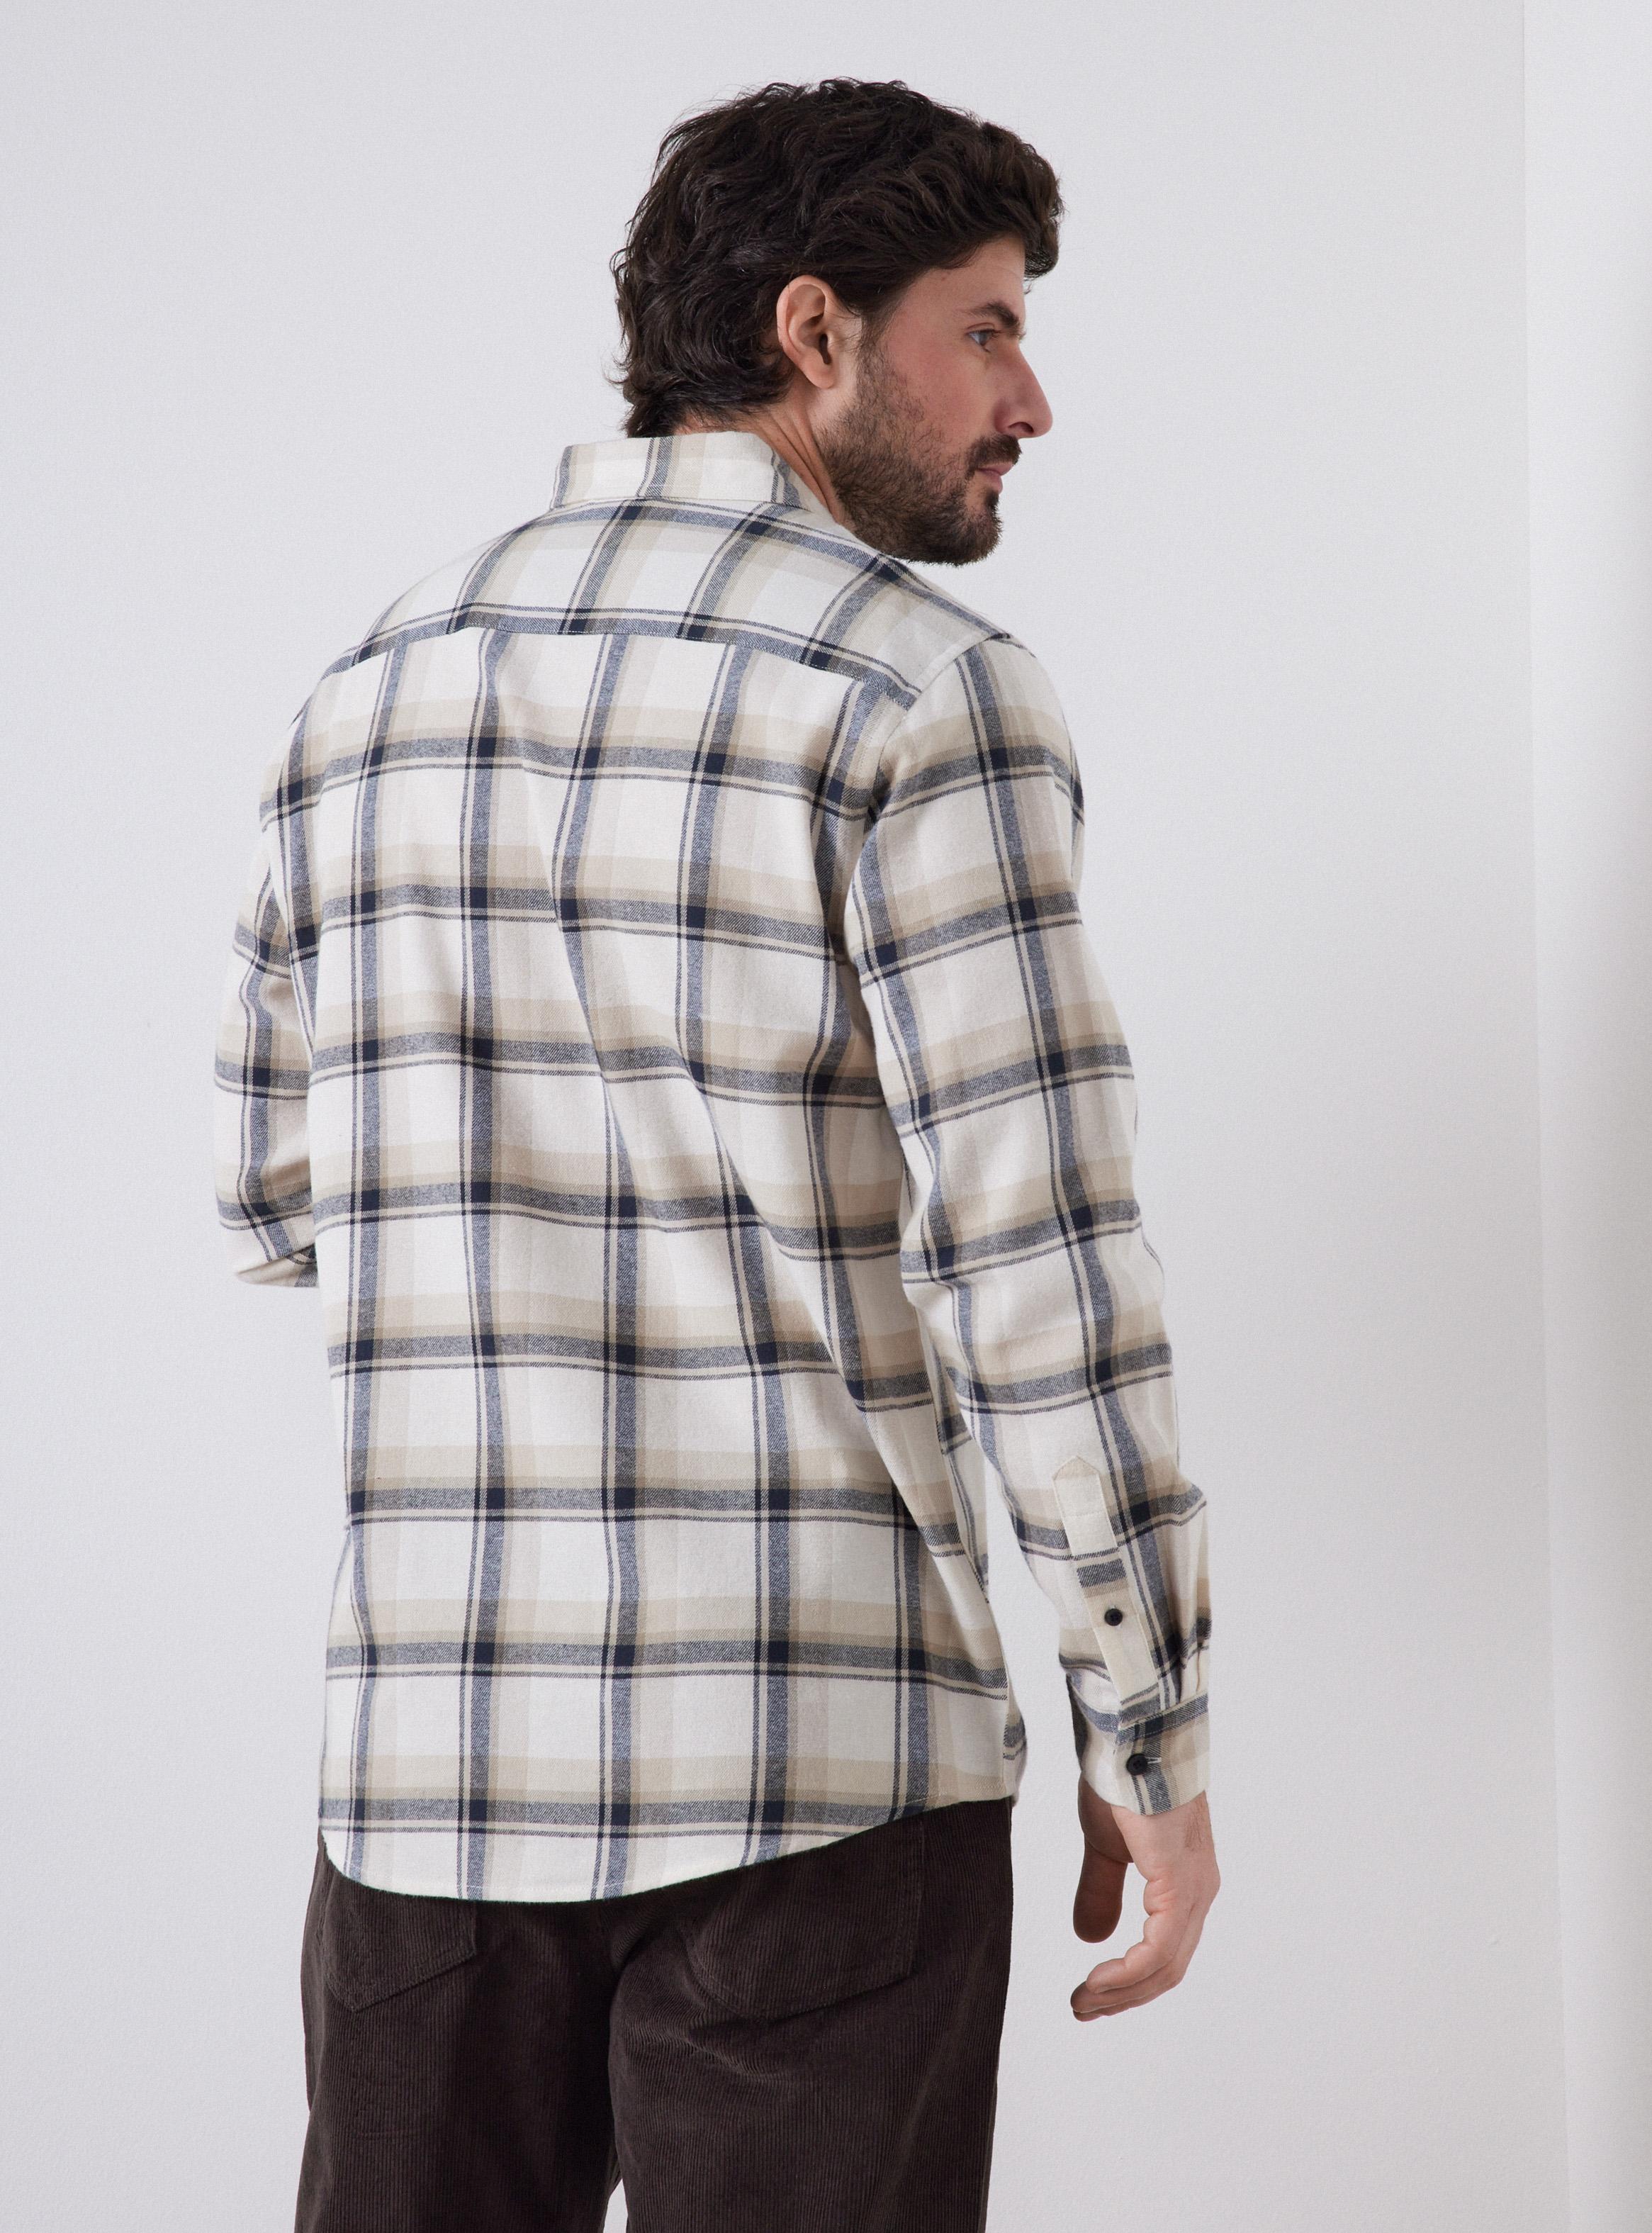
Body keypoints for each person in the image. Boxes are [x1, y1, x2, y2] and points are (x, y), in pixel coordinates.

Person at [213, 75, 1217, 2233]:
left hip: (429, 1775)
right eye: (986, 326)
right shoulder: (922, 690)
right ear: (813, 330)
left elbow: (275, 1199)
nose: (1030, 399)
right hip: (820, 1773)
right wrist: (1146, 1727)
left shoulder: (367, 690)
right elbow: (1040, 1272)